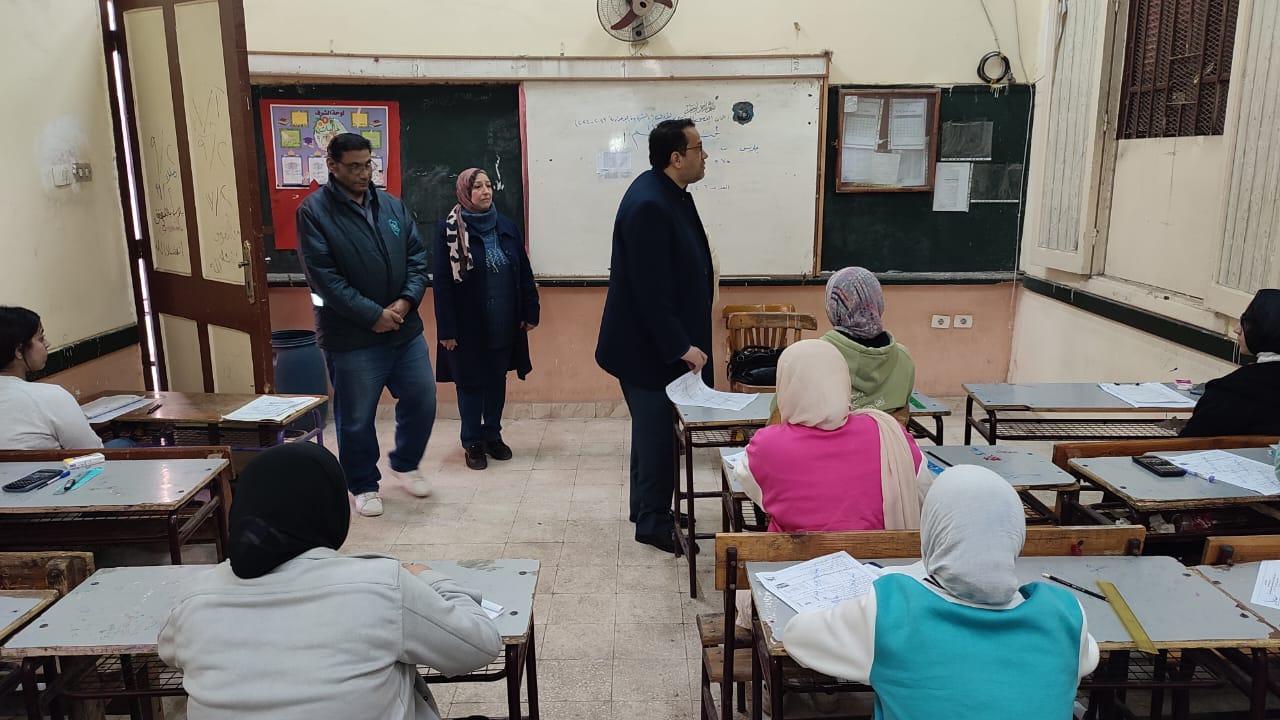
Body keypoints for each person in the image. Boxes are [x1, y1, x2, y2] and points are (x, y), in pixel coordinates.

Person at [158, 443, 502, 720]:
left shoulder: (195, 597)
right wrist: (427, 577)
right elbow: (479, 645)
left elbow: (169, 652)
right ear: (332, 510)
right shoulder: (382, 586)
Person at [784, 465, 1100, 719]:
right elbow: (1087, 659)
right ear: (1015, 535)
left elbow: (797, 637)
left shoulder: (892, 610)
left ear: (932, 530)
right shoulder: (1065, 615)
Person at [298, 133, 436, 516]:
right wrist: (372, 315)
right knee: (356, 417)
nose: (363, 174)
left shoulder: (391, 205)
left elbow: (417, 258)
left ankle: (405, 463)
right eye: (354, 166)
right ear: (332, 165)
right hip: (352, 338)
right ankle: (362, 484)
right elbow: (324, 278)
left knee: (423, 398)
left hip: (404, 330)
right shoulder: (314, 212)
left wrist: (405, 302)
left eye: (368, 165)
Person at [596, 118, 714, 554]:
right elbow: (649, 292)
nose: (705, 156)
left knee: (652, 434)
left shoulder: (669, 193)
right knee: (659, 436)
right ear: (676, 158)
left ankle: (645, 507)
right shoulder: (650, 203)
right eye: (698, 148)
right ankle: (653, 523)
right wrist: (680, 346)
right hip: (647, 350)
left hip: (653, 345)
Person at [734, 340, 925, 533]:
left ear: (785, 386)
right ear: (844, 382)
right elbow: (922, 490)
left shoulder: (767, 445)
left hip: (794, 553)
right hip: (882, 552)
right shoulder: (889, 432)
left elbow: (754, 489)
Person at [434, 168, 540, 471]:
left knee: (496, 380)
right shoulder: (449, 230)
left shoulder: (506, 226)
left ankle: (492, 434)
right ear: (465, 193)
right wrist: (447, 329)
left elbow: (523, 272)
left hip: (504, 321)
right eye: (477, 187)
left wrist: (530, 311)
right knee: (469, 383)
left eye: (489, 185)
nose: (485, 191)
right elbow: (442, 283)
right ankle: (472, 441)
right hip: (467, 325)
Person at [0, 306, 112, 450]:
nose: (47, 344)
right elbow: (92, 451)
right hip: (53, 465)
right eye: (41, 338)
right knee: (125, 444)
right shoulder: (48, 396)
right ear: (19, 351)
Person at [1182, 288, 1280, 437]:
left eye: (1247, 322)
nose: (1237, 329)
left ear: (1268, 329)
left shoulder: (1233, 390)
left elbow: (1188, 442)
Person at [821, 267, 915, 416]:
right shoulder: (904, 358)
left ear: (833, 304)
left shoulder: (816, 357)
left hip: (835, 431)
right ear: (877, 301)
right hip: (884, 432)